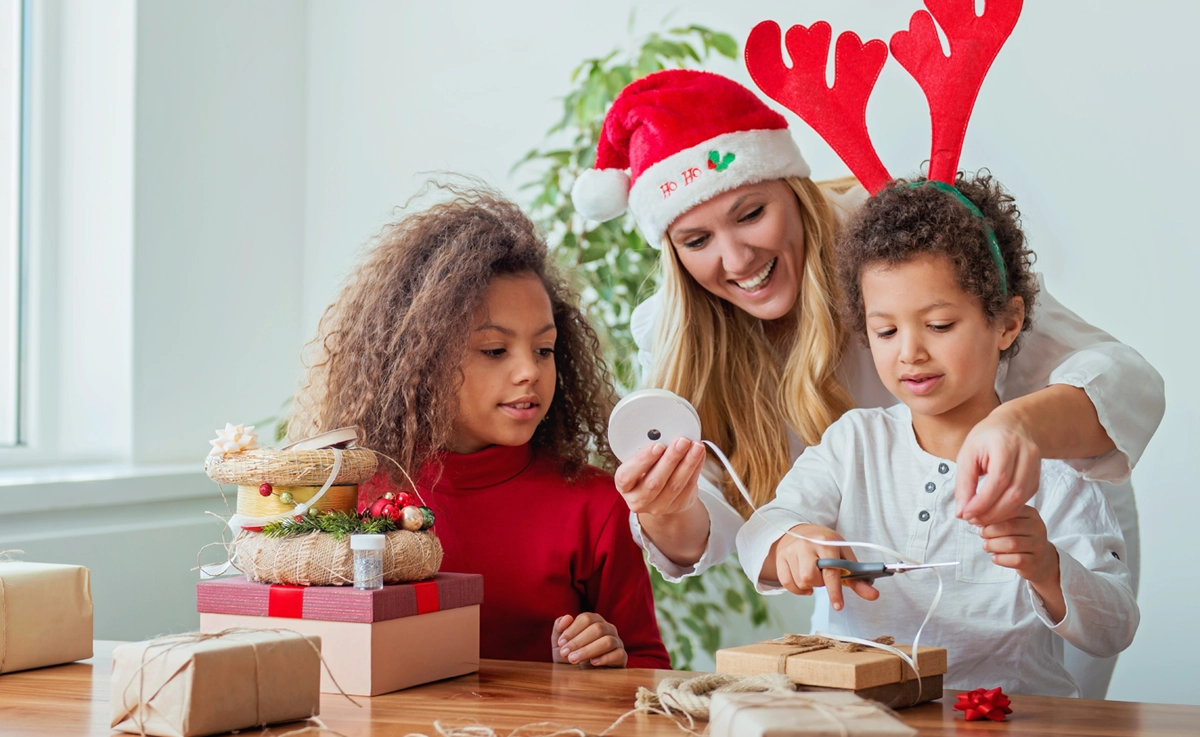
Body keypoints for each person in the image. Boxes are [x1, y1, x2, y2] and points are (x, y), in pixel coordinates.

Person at [571, 69, 1162, 696]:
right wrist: (734, 525)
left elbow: (1123, 384)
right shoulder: (846, 439)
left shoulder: (916, 249)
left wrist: (1019, 437)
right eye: (696, 239)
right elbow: (746, 529)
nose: (738, 259)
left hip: (1030, 615)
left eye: (752, 213)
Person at [736, 173, 1138, 696]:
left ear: (1007, 322)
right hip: (861, 718)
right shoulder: (853, 444)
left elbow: (1115, 629)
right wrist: (790, 539)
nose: (910, 352)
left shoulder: (1052, 467)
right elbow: (758, 533)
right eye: (886, 331)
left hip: (1005, 721)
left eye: (940, 325)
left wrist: (1046, 565)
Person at [290, 186, 670, 669]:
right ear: (421, 360)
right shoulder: (350, 501)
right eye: (495, 350)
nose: (529, 371)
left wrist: (599, 662)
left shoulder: (597, 506)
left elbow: (650, 667)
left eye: (544, 349)